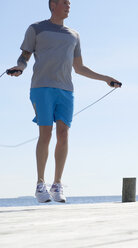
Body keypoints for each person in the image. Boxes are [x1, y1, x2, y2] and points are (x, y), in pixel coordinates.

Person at [7, 0, 121, 203]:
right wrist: (20, 68)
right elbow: (24, 56)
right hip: (41, 87)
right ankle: (40, 184)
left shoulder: (74, 35)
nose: (69, 5)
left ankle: (57, 184)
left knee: (63, 134)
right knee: (46, 132)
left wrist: (106, 78)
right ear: (53, 4)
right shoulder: (36, 29)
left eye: (70, 3)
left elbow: (80, 68)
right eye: (65, 2)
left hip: (66, 91)